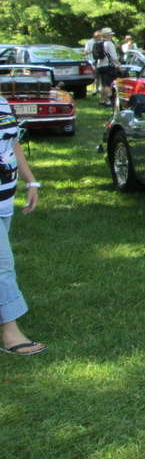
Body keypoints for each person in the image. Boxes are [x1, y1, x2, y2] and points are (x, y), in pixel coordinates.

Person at [0, 96, 44, 355]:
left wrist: (31, 182)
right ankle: (10, 333)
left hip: (5, 200)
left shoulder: (2, 103)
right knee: (2, 266)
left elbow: (12, 143)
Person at [93, 28, 121, 106]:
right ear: (108, 35)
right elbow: (114, 57)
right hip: (108, 66)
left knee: (103, 84)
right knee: (108, 84)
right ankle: (108, 101)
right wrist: (119, 65)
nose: (112, 35)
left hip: (100, 66)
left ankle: (102, 100)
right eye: (111, 34)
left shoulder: (99, 43)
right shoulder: (109, 43)